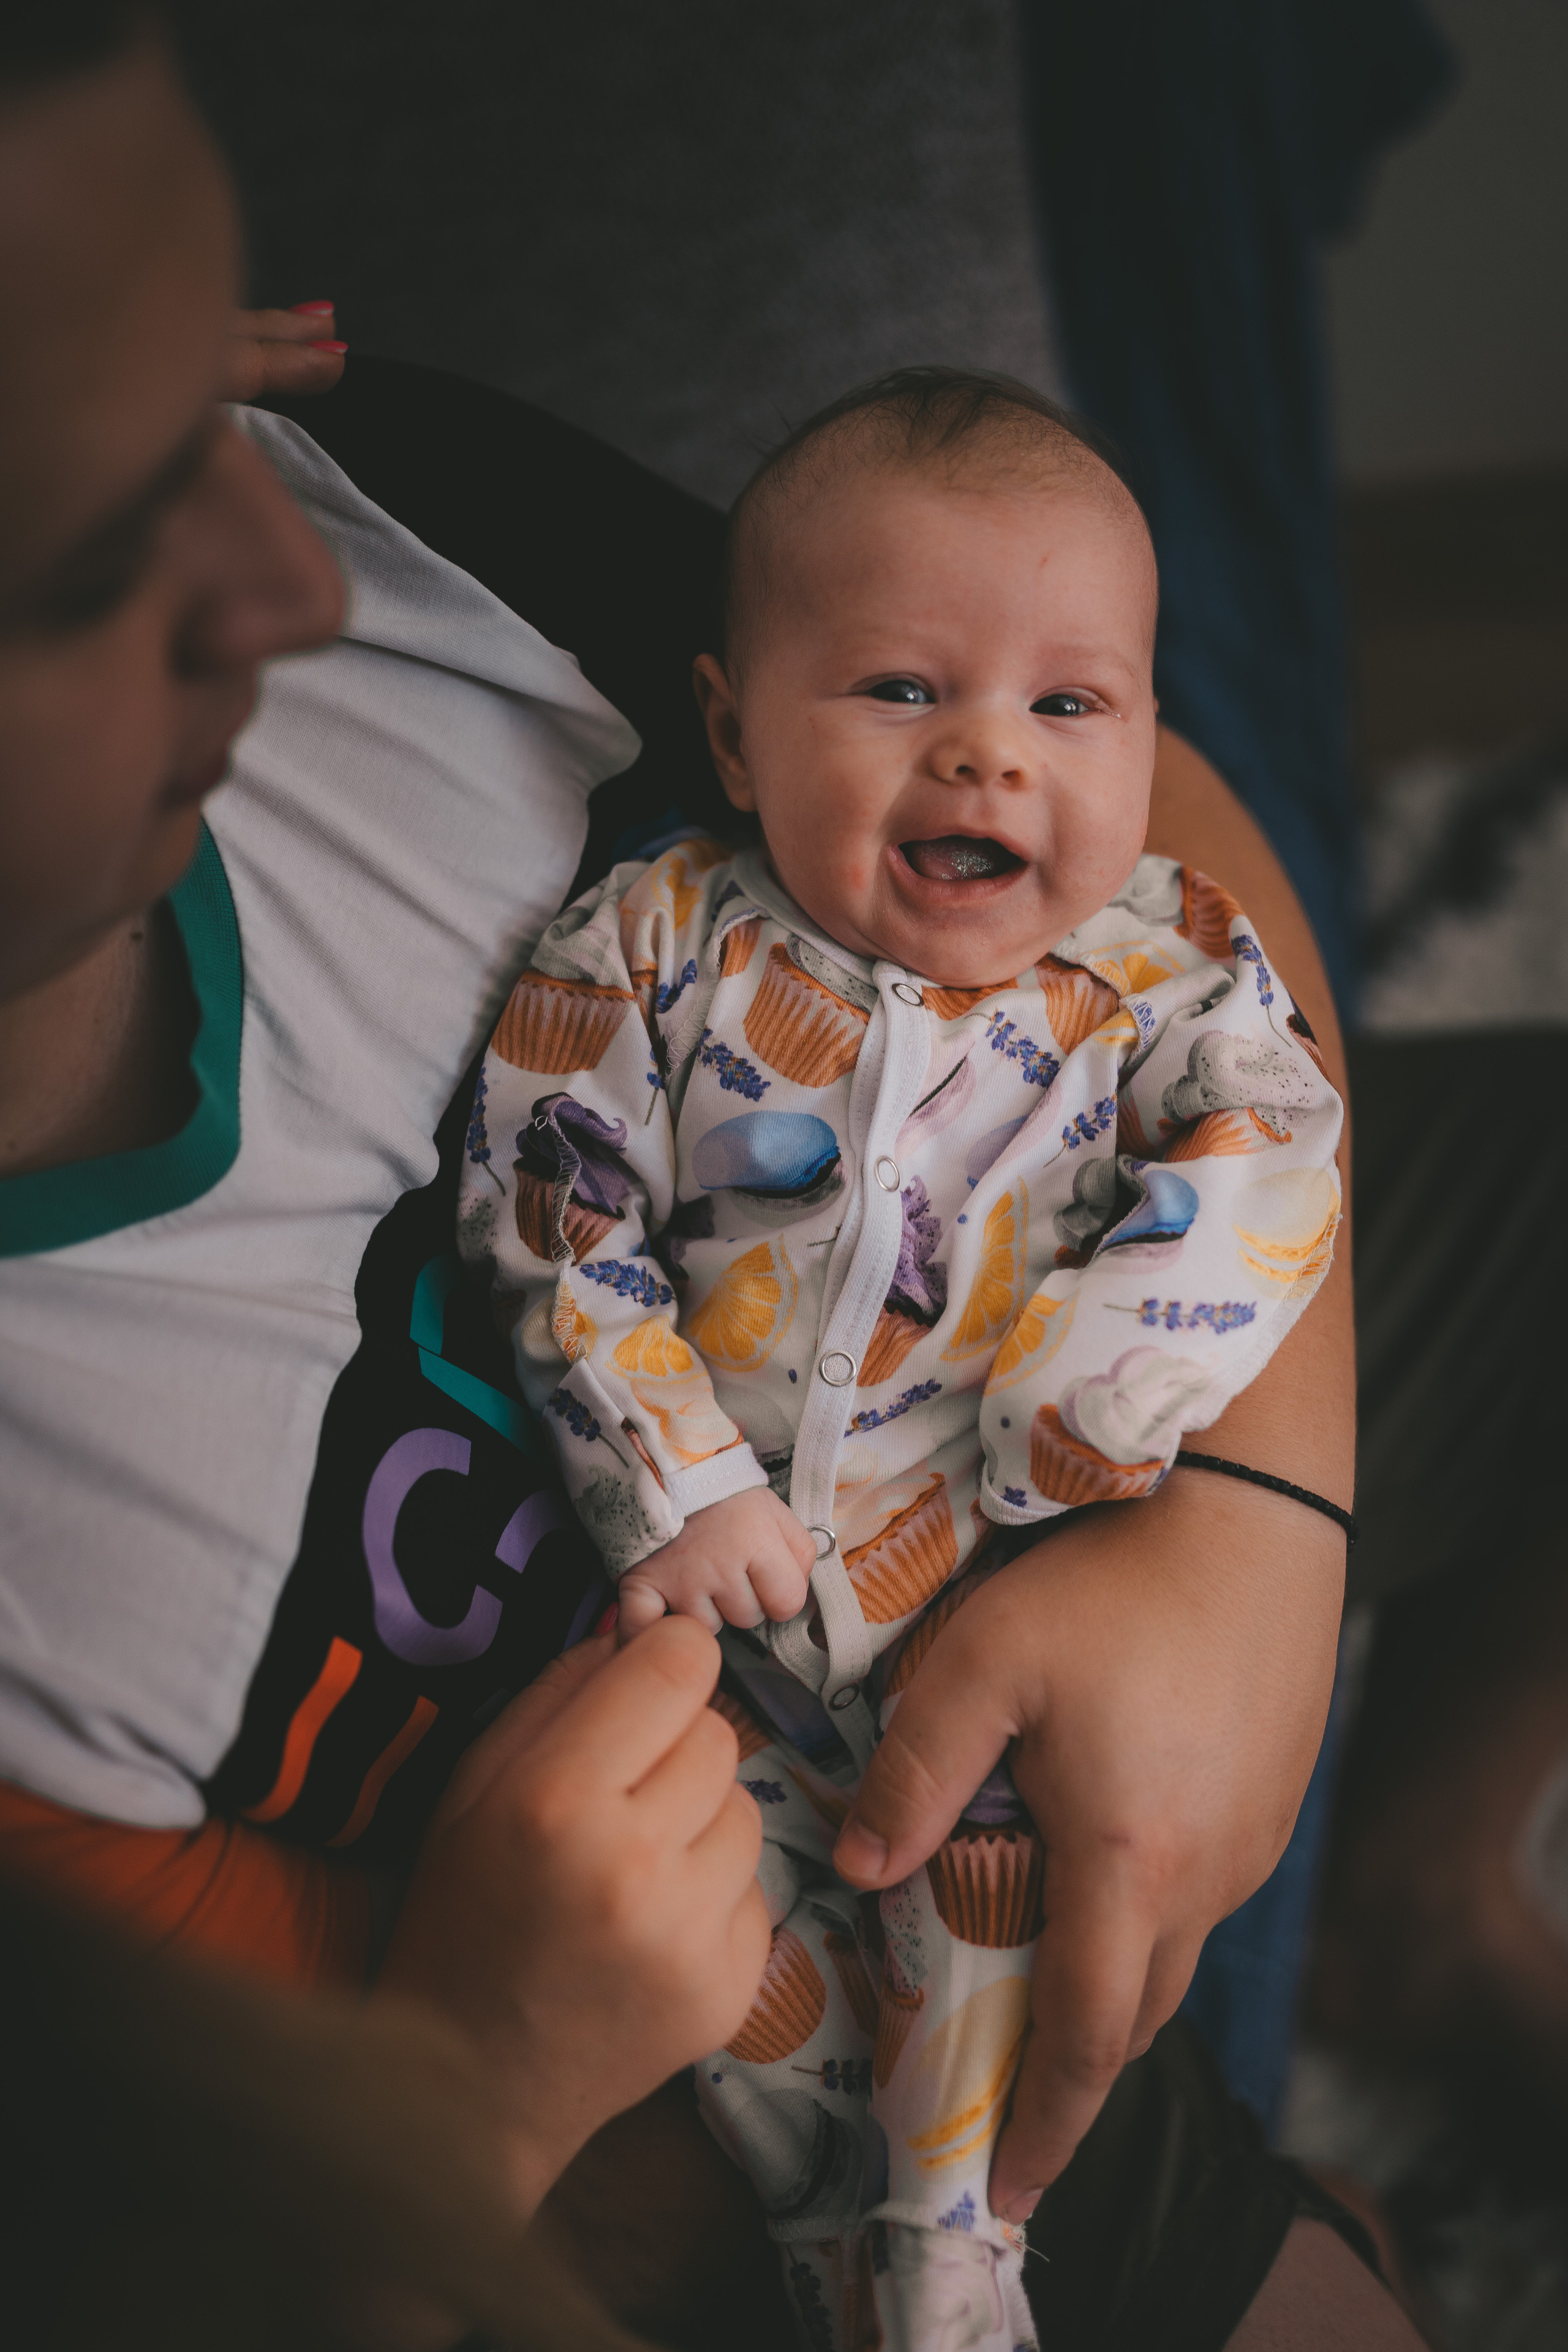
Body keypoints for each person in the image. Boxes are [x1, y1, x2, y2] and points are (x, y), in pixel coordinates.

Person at [0, 7, 1423, 2346]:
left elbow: (1151, 846)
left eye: (211, 393)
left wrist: (1264, 1544)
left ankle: (1419, 1851)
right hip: (834, 1974)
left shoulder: (387, 543)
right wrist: (478, 2085)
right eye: (91, 542)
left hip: (1148, 1427)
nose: (268, 575)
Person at [464, 367, 1343, 2345]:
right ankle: (820, 2243)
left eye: (1067, 704)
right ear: (733, 728)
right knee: (734, 1962)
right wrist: (666, 1472)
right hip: (714, 1618)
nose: (986, 760)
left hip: (989, 1595)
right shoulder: (655, 940)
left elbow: (1279, 1148)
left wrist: (1119, 1371)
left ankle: (955, 2240)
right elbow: (549, 1198)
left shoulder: (1160, 962)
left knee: (986, 1901)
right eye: (896, 692)